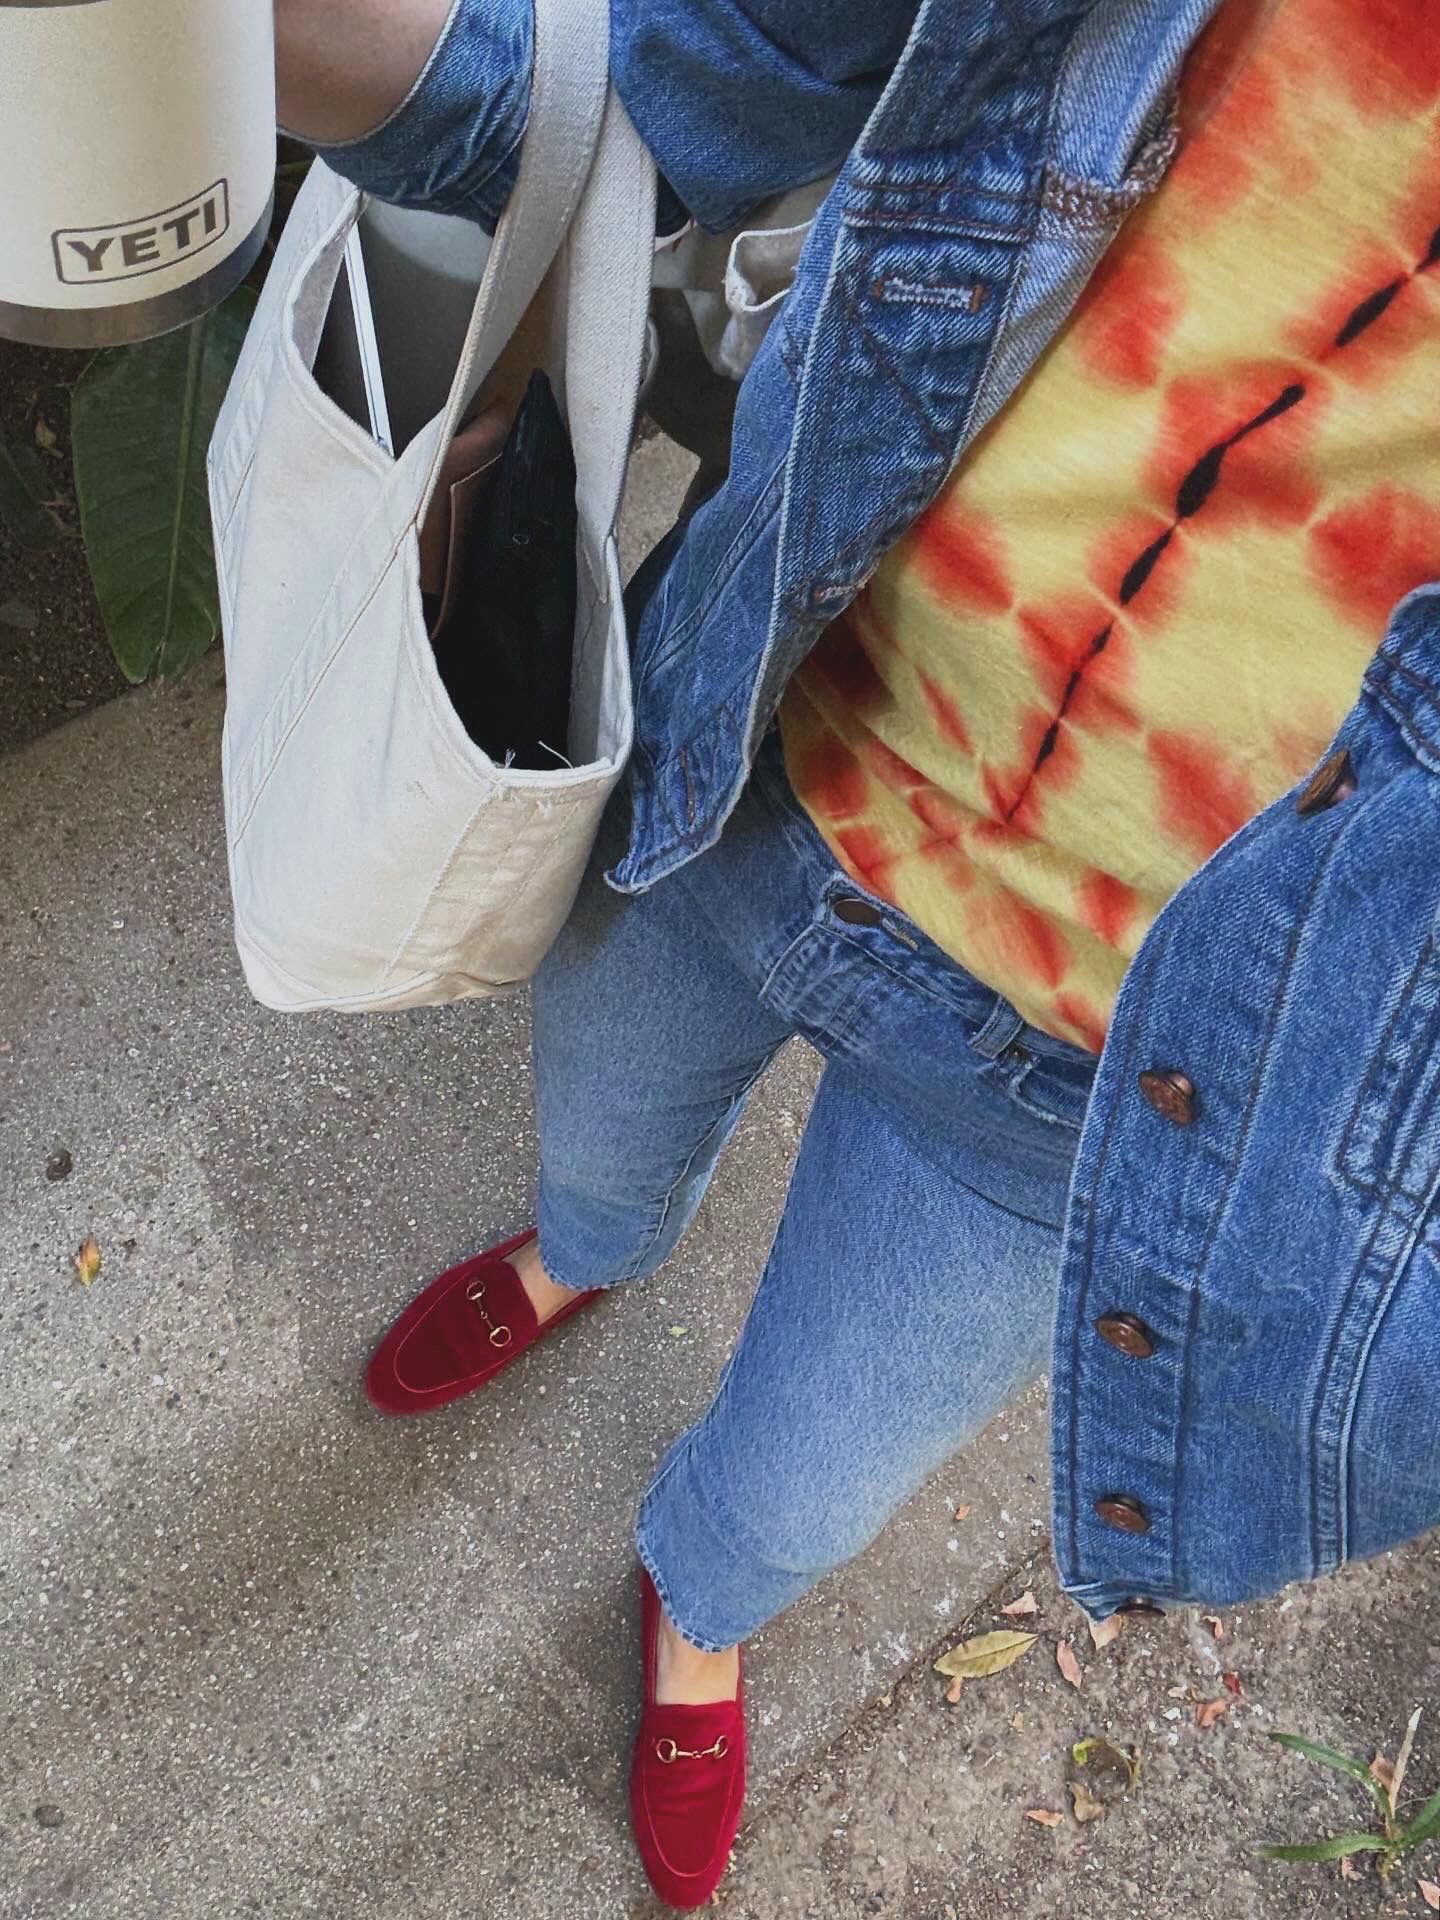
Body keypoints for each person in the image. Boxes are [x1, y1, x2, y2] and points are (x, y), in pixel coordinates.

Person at [276, 0, 1440, 1906]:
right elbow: (668, 80)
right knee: (593, 1138)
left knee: (807, 1489)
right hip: (762, 768)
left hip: (1087, 1070)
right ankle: (585, 1259)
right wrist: (258, 46)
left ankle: (700, 1606)